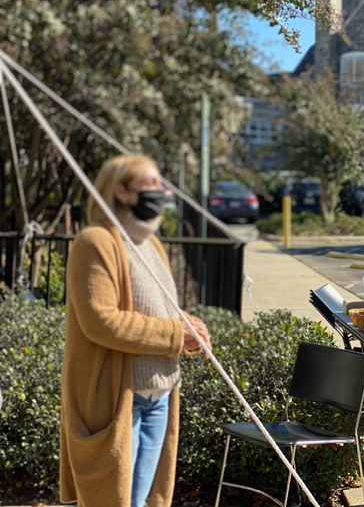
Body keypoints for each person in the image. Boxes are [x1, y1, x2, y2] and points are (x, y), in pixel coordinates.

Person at [60, 155, 211, 507]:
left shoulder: (150, 242)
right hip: (118, 401)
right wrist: (176, 334)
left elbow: (155, 307)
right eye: (150, 185)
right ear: (121, 192)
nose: (161, 191)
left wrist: (189, 326)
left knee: (142, 501)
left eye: (160, 183)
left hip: (159, 394)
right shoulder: (95, 242)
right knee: (113, 501)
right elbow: (102, 321)